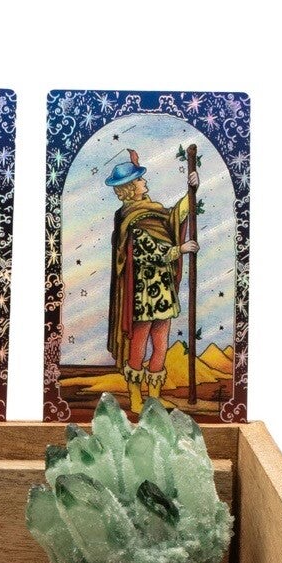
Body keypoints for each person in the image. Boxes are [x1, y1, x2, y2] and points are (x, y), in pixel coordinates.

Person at [104, 150, 200, 413]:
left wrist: (191, 191)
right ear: (129, 188)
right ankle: (136, 398)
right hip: (143, 293)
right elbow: (149, 253)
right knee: (139, 344)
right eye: (139, 179)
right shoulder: (131, 219)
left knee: (161, 342)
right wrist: (179, 250)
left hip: (163, 290)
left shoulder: (152, 210)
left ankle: (154, 398)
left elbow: (174, 217)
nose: (144, 181)